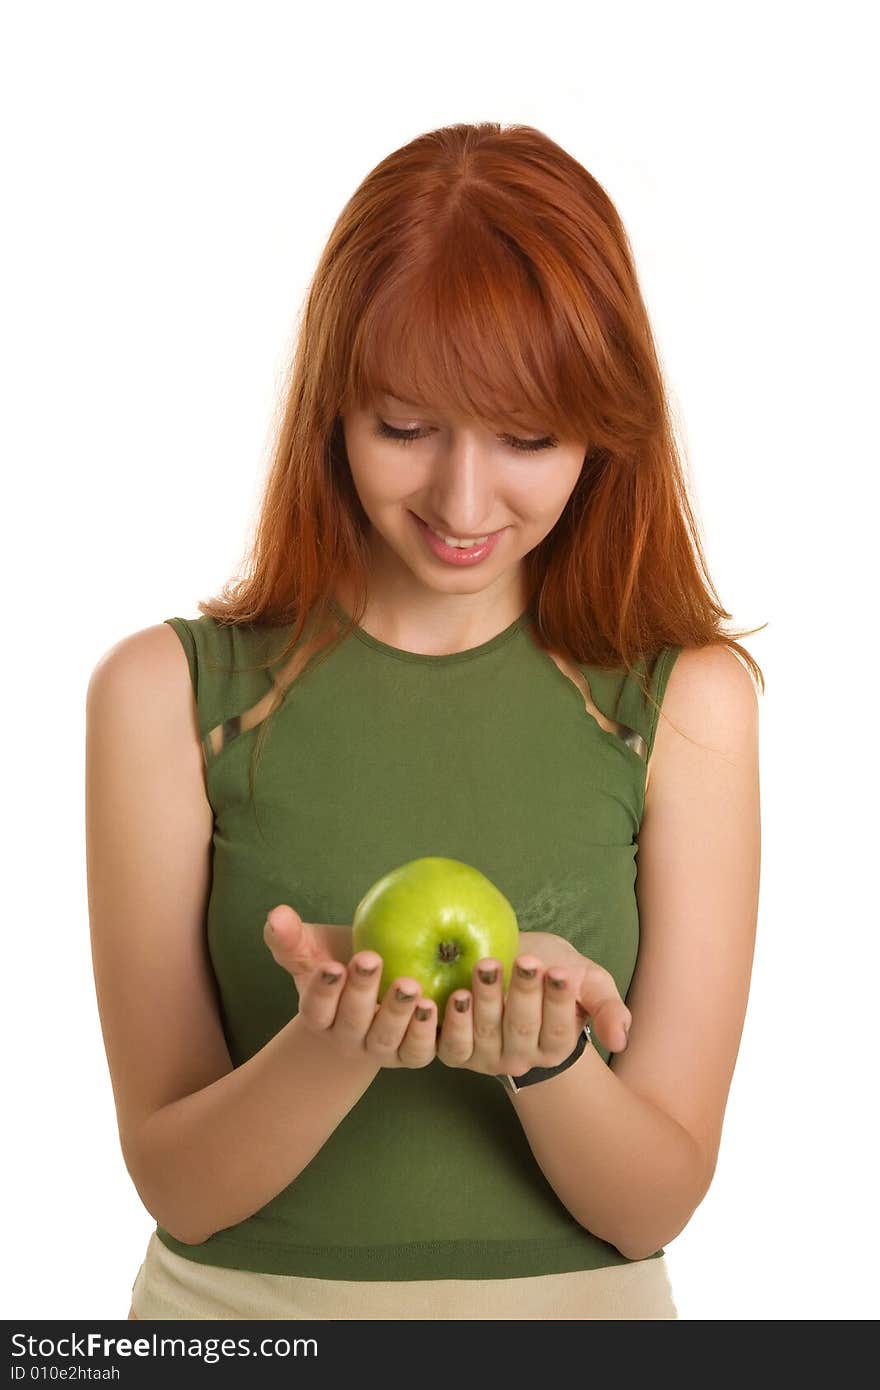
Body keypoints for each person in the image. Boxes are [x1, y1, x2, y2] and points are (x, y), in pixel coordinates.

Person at [85, 121, 763, 1321]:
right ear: (332, 410)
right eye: (404, 428)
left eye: (527, 438)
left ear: (605, 431)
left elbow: (652, 1203)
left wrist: (541, 1055)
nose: (460, 501)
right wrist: (338, 1040)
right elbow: (176, 1184)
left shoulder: (681, 700)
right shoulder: (167, 695)